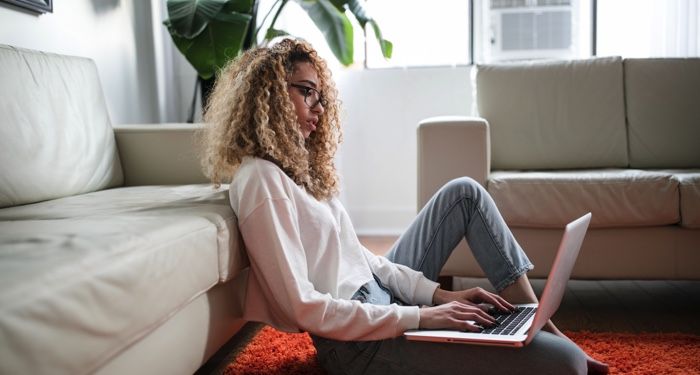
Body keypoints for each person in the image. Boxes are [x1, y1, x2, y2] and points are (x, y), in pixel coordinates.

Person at [201, 38, 608, 375]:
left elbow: (363, 260)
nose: (319, 108)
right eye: (306, 92)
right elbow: (301, 306)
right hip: (356, 345)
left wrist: (435, 297)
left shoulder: (298, 172)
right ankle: (551, 341)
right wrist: (419, 317)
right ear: (268, 96)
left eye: (320, 96)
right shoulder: (260, 180)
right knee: (567, 366)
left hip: (382, 301)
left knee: (464, 193)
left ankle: (539, 324)